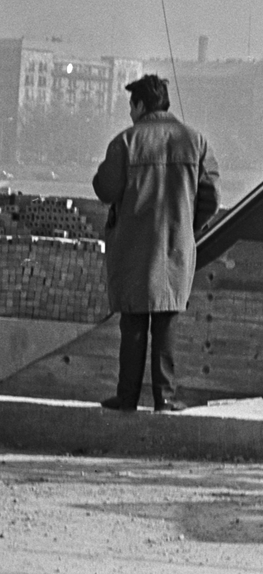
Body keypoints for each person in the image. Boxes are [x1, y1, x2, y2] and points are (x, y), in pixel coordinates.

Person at [92, 74, 220, 412]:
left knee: (133, 324)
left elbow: (105, 189)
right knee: (166, 324)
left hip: (133, 248)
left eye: (131, 105)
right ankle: (165, 397)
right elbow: (211, 196)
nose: (129, 112)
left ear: (140, 105)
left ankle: (127, 397)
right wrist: (187, 226)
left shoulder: (125, 142)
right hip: (175, 247)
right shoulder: (195, 141)